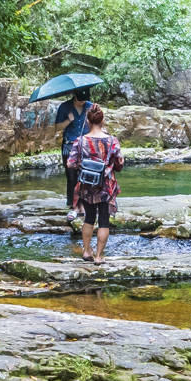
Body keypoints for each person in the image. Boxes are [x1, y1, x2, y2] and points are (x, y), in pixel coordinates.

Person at [67, 106, 124, 263]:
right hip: (105, 185)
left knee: (89, 218)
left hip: (87, 184)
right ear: (102, 120)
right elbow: (119, 164)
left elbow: (70, 164)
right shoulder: (112, 141)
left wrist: (83, 165)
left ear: (87, 121)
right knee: (104, 220)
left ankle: (86, 252)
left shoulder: (81, 141)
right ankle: (98, 256)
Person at [55, 88, 94, 214]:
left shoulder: (90, 106)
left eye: (84, 101)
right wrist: (68, 120)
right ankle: (72, 203)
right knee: (71, 176)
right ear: (74, 97)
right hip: (69, 145)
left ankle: (84, 203)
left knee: (85, 175)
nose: (81, 103)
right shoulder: (64, 107)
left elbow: (98, 124)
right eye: (79, 101)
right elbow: (57, 127)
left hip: (86, 145)